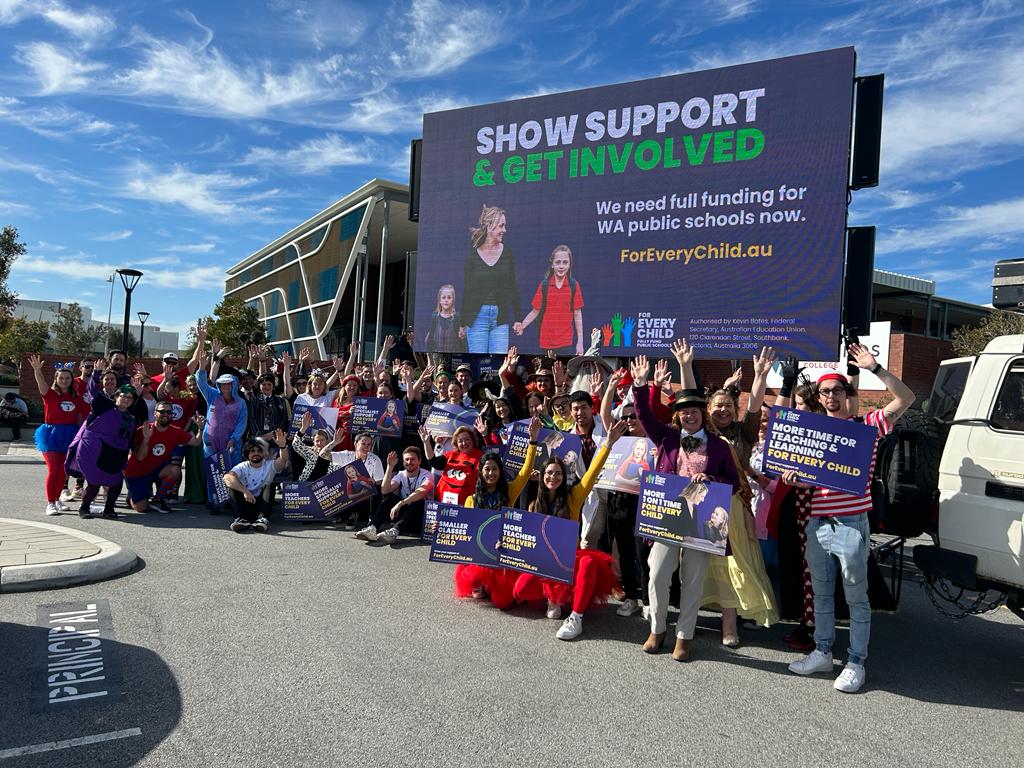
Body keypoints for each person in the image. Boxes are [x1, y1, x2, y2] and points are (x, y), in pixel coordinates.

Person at [785, 343, 915, 694]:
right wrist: (795, 478)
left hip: (851, 523)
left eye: (837, 390)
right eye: (824, 391)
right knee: (823, 595)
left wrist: (876, 369)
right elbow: (808, 475)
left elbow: (906, 399)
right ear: (819, 397)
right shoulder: (811, 432)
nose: (831, 396)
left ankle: (856, 661)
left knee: (857, 597)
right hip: (818, 521)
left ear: (847, 393)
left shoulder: (867, 425)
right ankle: (823, 651)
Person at [630, 356, 741, 662]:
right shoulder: (666, 438)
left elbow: (735, 482)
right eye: (683, 411)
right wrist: (640, 385)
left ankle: (684, 636)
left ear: (701, 414)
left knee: (692, 580)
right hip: (667, 517)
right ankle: (657, 628)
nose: (689, 415)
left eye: (694, 410)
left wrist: (712, 478)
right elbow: (644, 416)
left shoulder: (719, 446)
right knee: (657, 574)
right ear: (677, 416)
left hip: (702, 522)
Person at [510, 419, 628, 641]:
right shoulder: (533, 505)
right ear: (542, 476)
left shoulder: (573, 497)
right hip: (544, 563)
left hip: (569, 559)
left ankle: (576, 616)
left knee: (589, 562)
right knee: (521, 591)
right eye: (549, 473)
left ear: (564, 478)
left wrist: (608, 444)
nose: (553, 477)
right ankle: (553, 596)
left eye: (557, 474)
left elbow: (592, 474)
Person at [453, 421, 541, 609]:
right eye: (487, 469)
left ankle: (498, 586)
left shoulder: (510, 491)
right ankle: (483, 583)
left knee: (502, 602)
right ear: (481, 472)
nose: (491, 473)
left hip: (504, 551)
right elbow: (464, 531)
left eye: (495, 469)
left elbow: (525, 472)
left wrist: (533, 442)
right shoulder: (471, 499)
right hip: (482, 554)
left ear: (500, 472)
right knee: (475, 583)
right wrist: (441, 529)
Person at [65, 384, 139, 520]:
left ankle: (109, 508)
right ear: (116, 396)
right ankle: (84, 508)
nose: (127, 399)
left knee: (117, 482)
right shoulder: (104, 407)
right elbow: (93, 392)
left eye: (130, 397)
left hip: (117, 454)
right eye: (123, 396)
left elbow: (129, 440)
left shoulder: (132, 419)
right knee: (94, 482)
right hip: (97, 451)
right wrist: (96, 374)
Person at [27, 355, 87, 515]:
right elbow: (41, 383)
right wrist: (37, 370)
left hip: (70, 435)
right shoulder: (49, 394)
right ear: (56, 379)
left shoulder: (76, 397)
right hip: (51, 435)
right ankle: (50, 503)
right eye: (61, 378)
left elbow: (80, 419)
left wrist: (83, 436)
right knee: (54, 469)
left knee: (63, 471)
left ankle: (58, 499)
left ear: (71, 380)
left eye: (67, 378)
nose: (65, 380)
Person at [461, 205, 520, 353]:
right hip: (476, 319)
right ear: (489, 226)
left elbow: (513, 286)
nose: (504, 230)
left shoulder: (507, 253)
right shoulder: (473, 256)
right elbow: (467, 291)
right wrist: (462, 322)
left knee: (499, 362)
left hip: (500, 319)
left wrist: (518, 318)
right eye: (501, 225)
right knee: (477, 359)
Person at [125, 405, 203, 513]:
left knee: (175, 470)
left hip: (156, 470)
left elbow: (196, 442)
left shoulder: (176, 432)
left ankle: (157, 499)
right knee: (142, 508)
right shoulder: (143, 430)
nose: (165, 414)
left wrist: (201, 428)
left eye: (169, 412)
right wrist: (146, 439)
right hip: (137, 473)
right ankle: (132, 496)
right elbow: (140, 457)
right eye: (162, 411)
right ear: (155, 413)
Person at [195, 354, 248, 509]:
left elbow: (241, 423)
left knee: (232, 471)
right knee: (213, 472)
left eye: (228, 384)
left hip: (230, 444)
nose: (225, 387)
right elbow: (201, 382)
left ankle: (233, 500)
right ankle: (213, 501)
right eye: (222, 384)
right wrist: (202, 368)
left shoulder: (241, 403)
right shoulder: (212, 395)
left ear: (234, 385)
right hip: (211, 442)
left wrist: (234, 438)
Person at [514, 244, 585, 355]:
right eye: (558, 262)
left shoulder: (574, 285)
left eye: (565, 262)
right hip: (546, 342)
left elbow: (577, 314)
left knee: (563, 372)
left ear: (570, 264)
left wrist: (580, 342)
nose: (561, 266)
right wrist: (522, 325)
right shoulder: (544, 285)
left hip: (566, 342)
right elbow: (535, 311)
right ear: (552, 264)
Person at [356, 446, 434, 545]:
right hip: (404, 516)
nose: (409, 462)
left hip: (421, 518)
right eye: (406, 459)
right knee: (390, 498)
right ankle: (372, 528)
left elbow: (421, 492)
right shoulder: (401, 474)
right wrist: (390, 466)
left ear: (419, 461)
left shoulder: (427, 475)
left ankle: (393, 532)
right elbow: (385, 490)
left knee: (418, 502)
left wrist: (401, 503)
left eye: (412, 459)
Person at [223, 431, 290, 533]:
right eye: (252, 451)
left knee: (269, 485)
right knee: (232, 486)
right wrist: (245, 491)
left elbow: (283, 460)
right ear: (247, 453)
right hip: (245, 503)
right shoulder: (242, 466)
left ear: (263, 453)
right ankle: (241, 519)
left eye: (259, 451)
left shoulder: (270, 465)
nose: (256, 453)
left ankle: (262, 520)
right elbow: (227, 478)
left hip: (261, 505)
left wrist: (282, 446)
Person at [422, 424, 483, 505]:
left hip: (465, 504)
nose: (464, 443)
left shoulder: (481, 457)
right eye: (460, 441)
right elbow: (435, 462)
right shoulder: (451, 454)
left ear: (473, 440)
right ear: (456, 443)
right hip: (442, 501)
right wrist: (426, 443)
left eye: (467, 439)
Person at [291, 411, 340, 483]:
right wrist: (303, 428)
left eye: (322, 440)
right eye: (317, 441)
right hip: (307, 484)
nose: (319, 443)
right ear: (313, 442)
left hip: (326, 487)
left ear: (327, 441)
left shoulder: (334, 455)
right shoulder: (309, 452)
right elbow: (296, 444)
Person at [424, 285, 465, 353]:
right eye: (443, 297)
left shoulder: (457, 317)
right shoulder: (435, 317)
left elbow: (462, 342)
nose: (446, 300)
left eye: (449, 297)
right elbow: (430, 339)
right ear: (440, 300)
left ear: (453, 300)